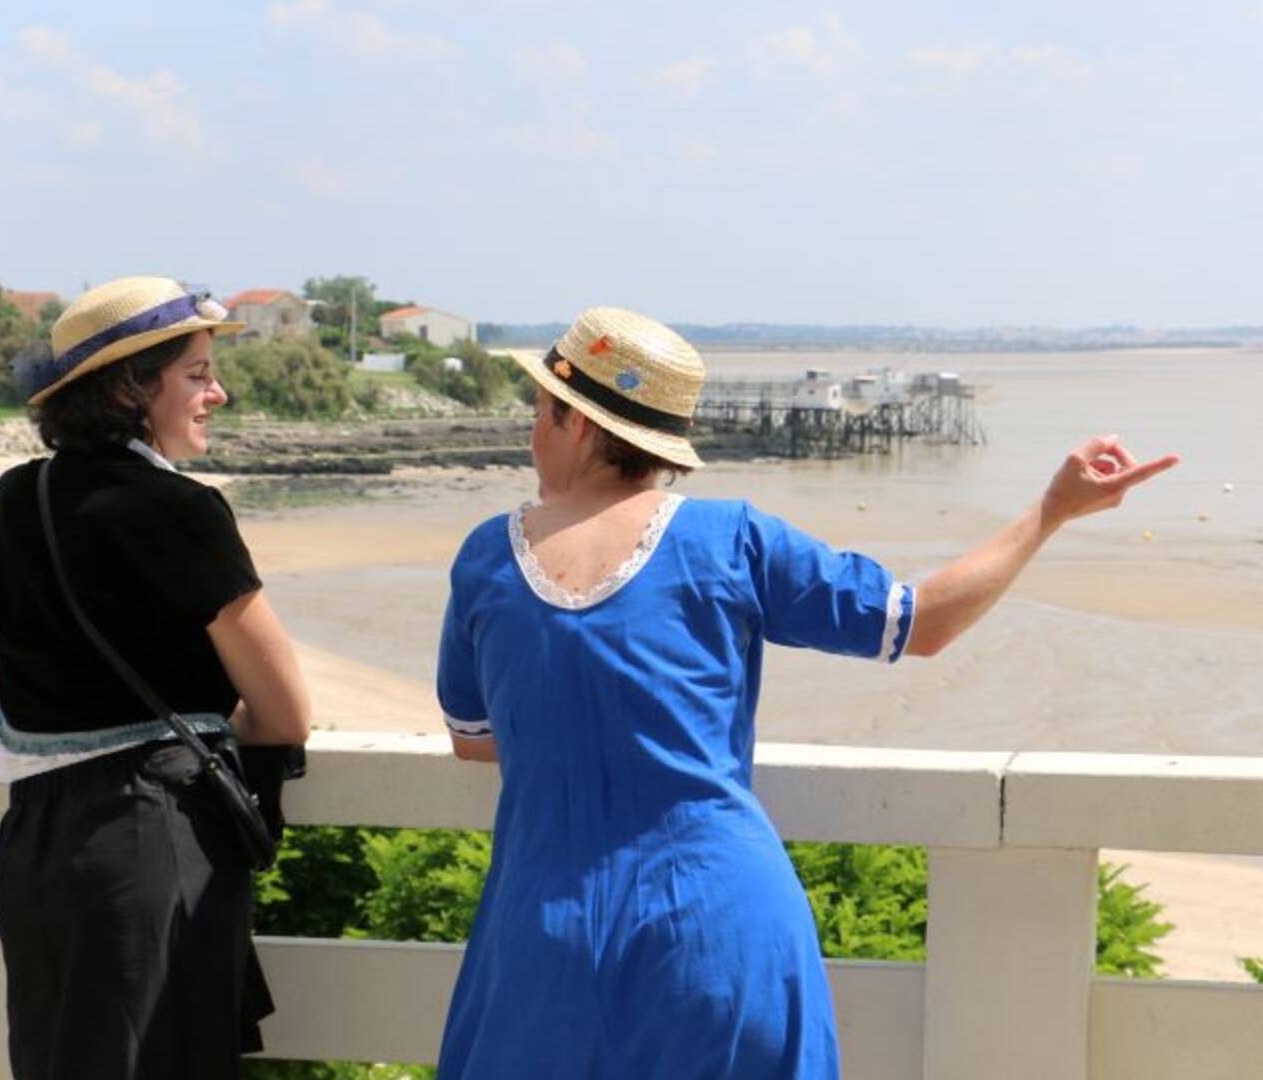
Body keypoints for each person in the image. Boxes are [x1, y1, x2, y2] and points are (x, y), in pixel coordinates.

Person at [434, 307, 1177, 1078]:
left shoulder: (489, 557)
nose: (532, 434)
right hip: (716, 923)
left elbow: (473, 738)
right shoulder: (730, 542)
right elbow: (918, 624)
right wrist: (1051, 512)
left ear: (580, 425)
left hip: (543, 930)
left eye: (540, 414)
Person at [0, 276, 312, 1079]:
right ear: (128, 387)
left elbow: (2, 691)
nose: (217, 392)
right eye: (196, 373)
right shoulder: (183, 511)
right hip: (152, 837)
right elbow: (286, 713)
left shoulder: (14, 498)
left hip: (36, 839)